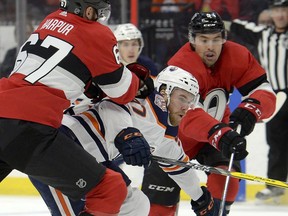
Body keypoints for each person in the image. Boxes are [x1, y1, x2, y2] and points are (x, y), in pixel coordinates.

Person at [0, 0, 154, 215]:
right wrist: (139, 83)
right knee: (110, 188)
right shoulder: (97, 33)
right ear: (88, 10)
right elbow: (121, 91)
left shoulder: (50, 19)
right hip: (29, 126)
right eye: (100, 12)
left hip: (4, 105)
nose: (101, 18)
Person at [28, 65, 221, 216]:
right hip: (57, 147)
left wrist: (200, 197)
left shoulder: (166, 132)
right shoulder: (142, 95)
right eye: (182, 98)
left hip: (91, 160)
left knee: (136, 204)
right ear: (164, 91)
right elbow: (113, 106)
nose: (187, 107)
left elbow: (179, 165)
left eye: (191, 101)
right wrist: (126, 132)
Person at [141, 11, 276, 215]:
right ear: (192, 40)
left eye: (216, 39)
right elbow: (185, 114)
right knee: (158, 210)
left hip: (214, 133)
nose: (210, 46)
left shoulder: (236, 56)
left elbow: (264, 90)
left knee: (226, 181)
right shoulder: (182, 66)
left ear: (224, 38)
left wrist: (251, 109)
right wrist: (221, 133)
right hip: (172, 138)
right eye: (204, 40)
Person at [227, 0, 288, 202]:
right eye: (276, 10)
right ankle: (275, 186)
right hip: (275, 96)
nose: (280, 15)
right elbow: (234, 25)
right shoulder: (263, 34)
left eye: (284, 10)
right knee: (276, 143)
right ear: (271, 12)